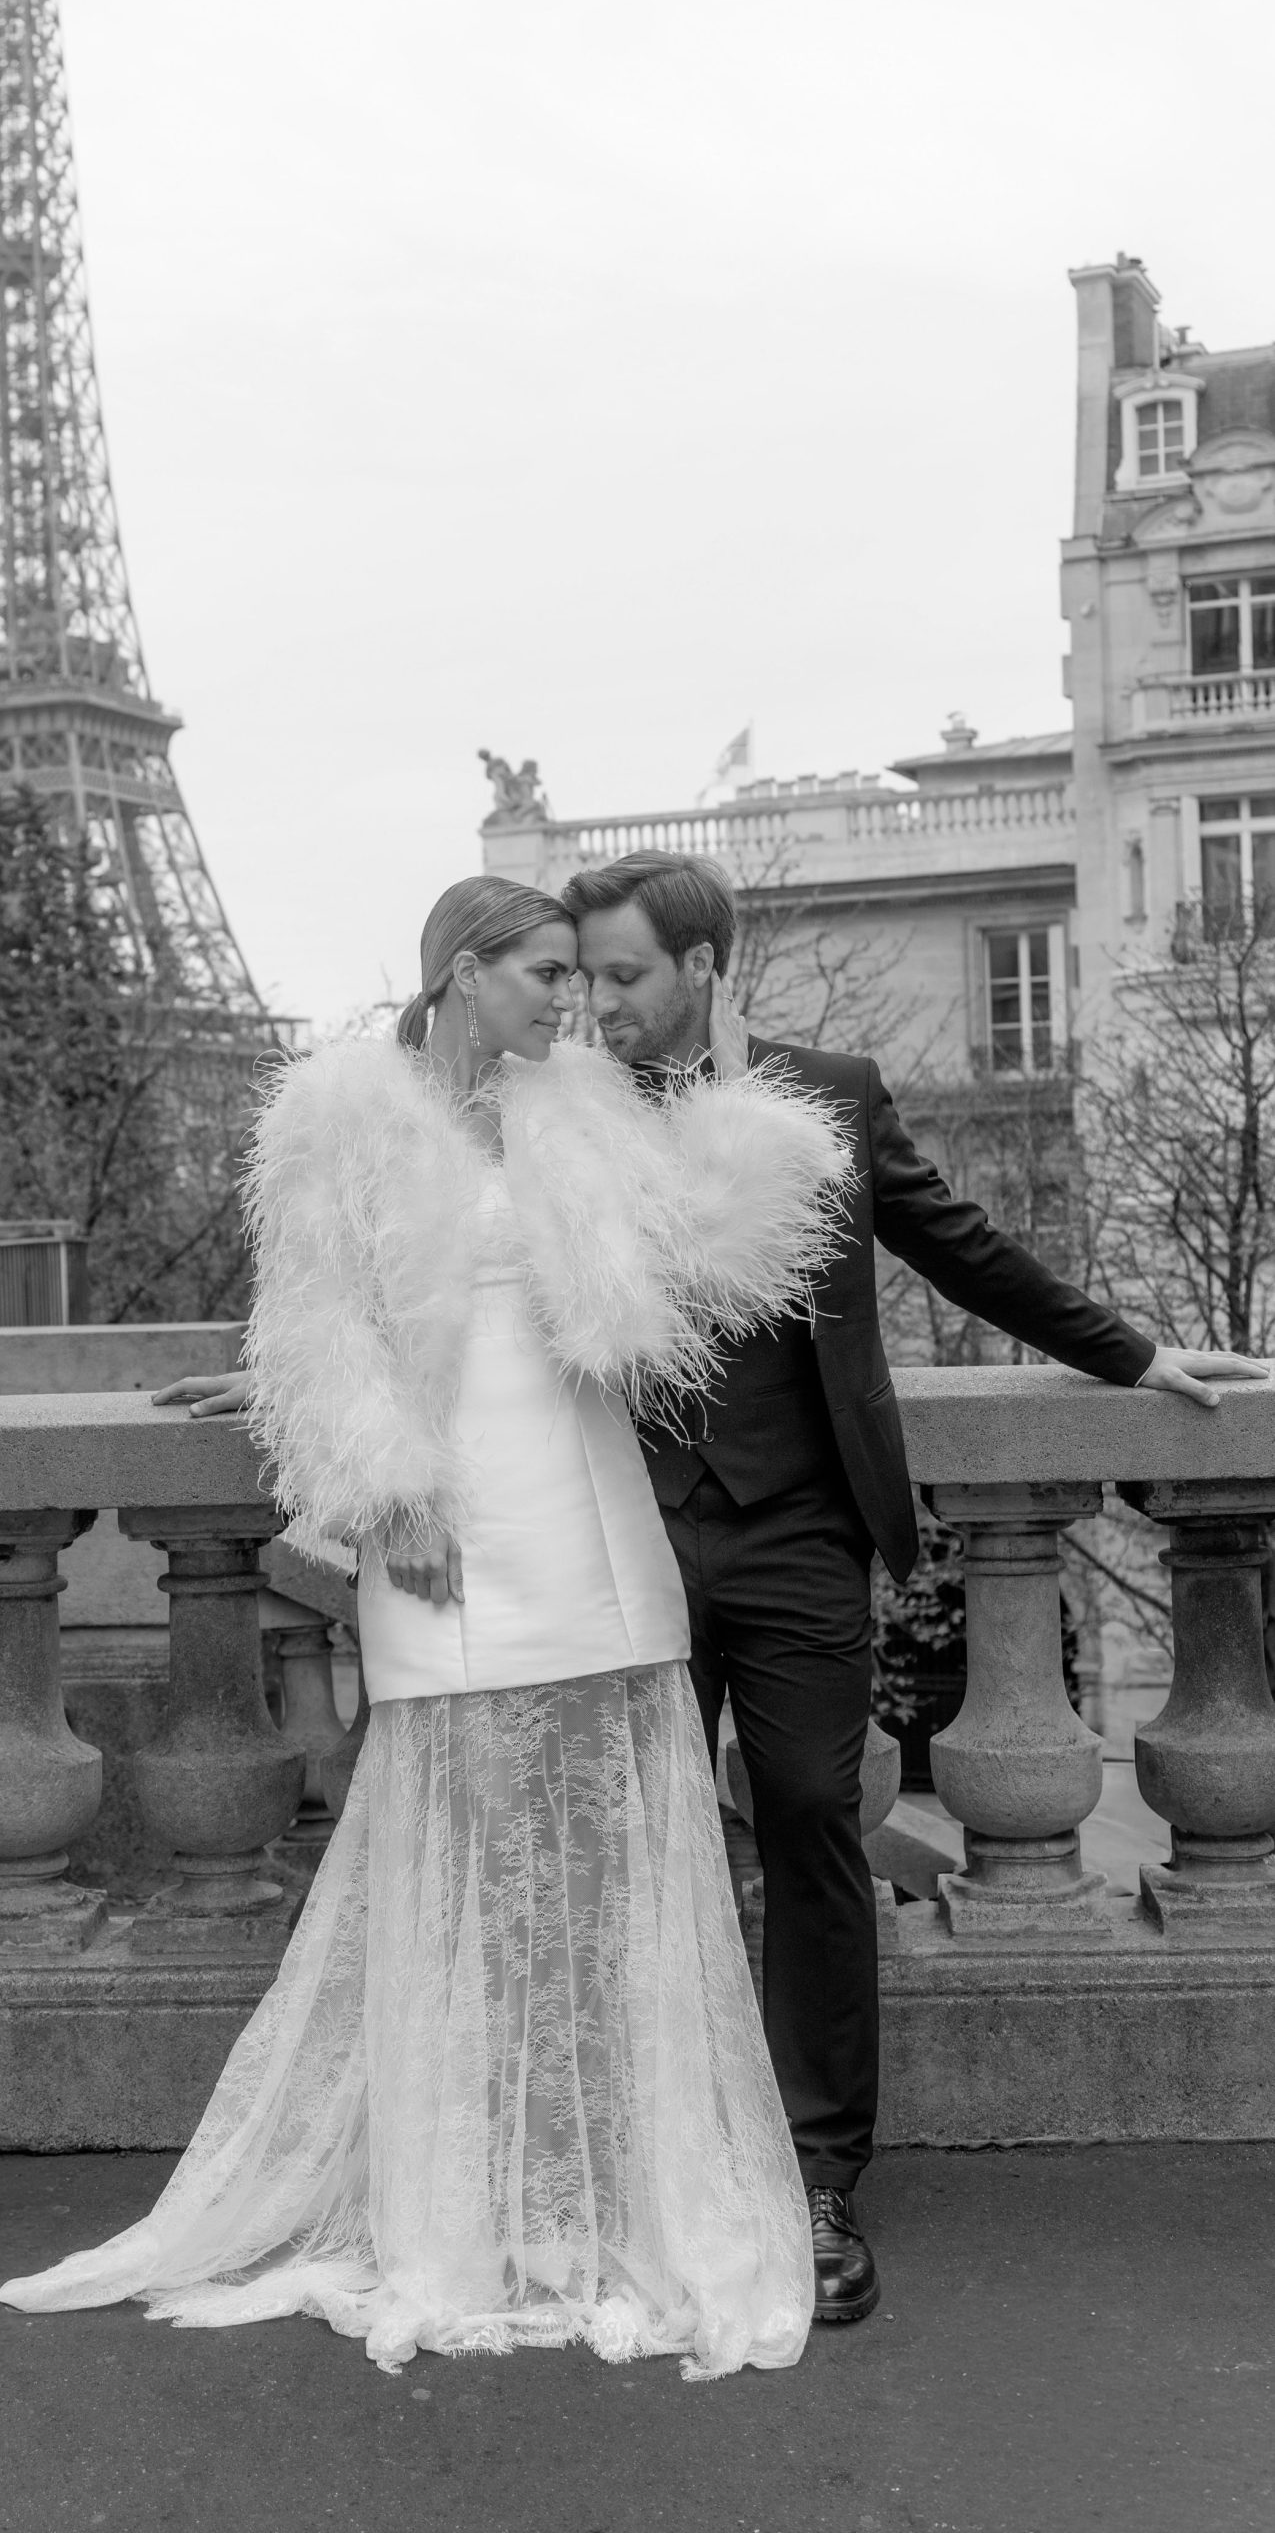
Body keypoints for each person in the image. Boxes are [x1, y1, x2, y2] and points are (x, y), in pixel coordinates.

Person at [0, 876, 852, 2379]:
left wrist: (729, 1101)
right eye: (540, 974)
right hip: (444, 1519)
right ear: (463, 973)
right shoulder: (343, 1115)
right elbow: (324, 1320)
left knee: (602, 1867)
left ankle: (594, 2200)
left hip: (592, 1520)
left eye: (577, 981)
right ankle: (474, 2204)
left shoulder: (578, 1105)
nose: (568, 1002)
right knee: (468, 1857)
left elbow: (714, 1276)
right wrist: (374, 1482)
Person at [556, 847, 1268, 2325]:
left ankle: (816, 2176)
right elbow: (449, 1271)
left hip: (802, 1529)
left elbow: (965, 1251)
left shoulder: (832, 1091)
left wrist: (1134, 1354)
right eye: (588, 976)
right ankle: (654, 2156)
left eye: (624, 976)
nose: (600, 1005)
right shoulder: (561, 1113)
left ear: (702, 967)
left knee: (816, 1818)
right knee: (646, 1837)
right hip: (619, 1529)